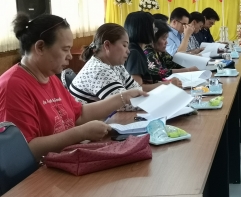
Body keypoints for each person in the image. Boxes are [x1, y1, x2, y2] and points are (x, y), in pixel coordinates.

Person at [0, 14, 146, 161]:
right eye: (65, 49)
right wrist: (80, 133)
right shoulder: (13, 85)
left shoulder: (49, 76)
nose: (70, 56)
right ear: (40, 47)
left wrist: (123, 97)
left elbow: (79, 114)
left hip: (65, 159)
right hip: (40, 171)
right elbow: (24, 149)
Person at [69, 23, 142, 108]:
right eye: (124, 45)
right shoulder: (98, 71)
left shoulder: (116, 65)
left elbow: (137, 90)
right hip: (88, 117)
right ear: (107, 45)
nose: (128, 51)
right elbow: (124, 105)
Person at [124, 12, 181, 88]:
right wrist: (168, 84)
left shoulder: (138, 49)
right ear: (144, 30)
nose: (154, 33)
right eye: (154, 29)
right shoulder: (135, 53)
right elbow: (137, 88)